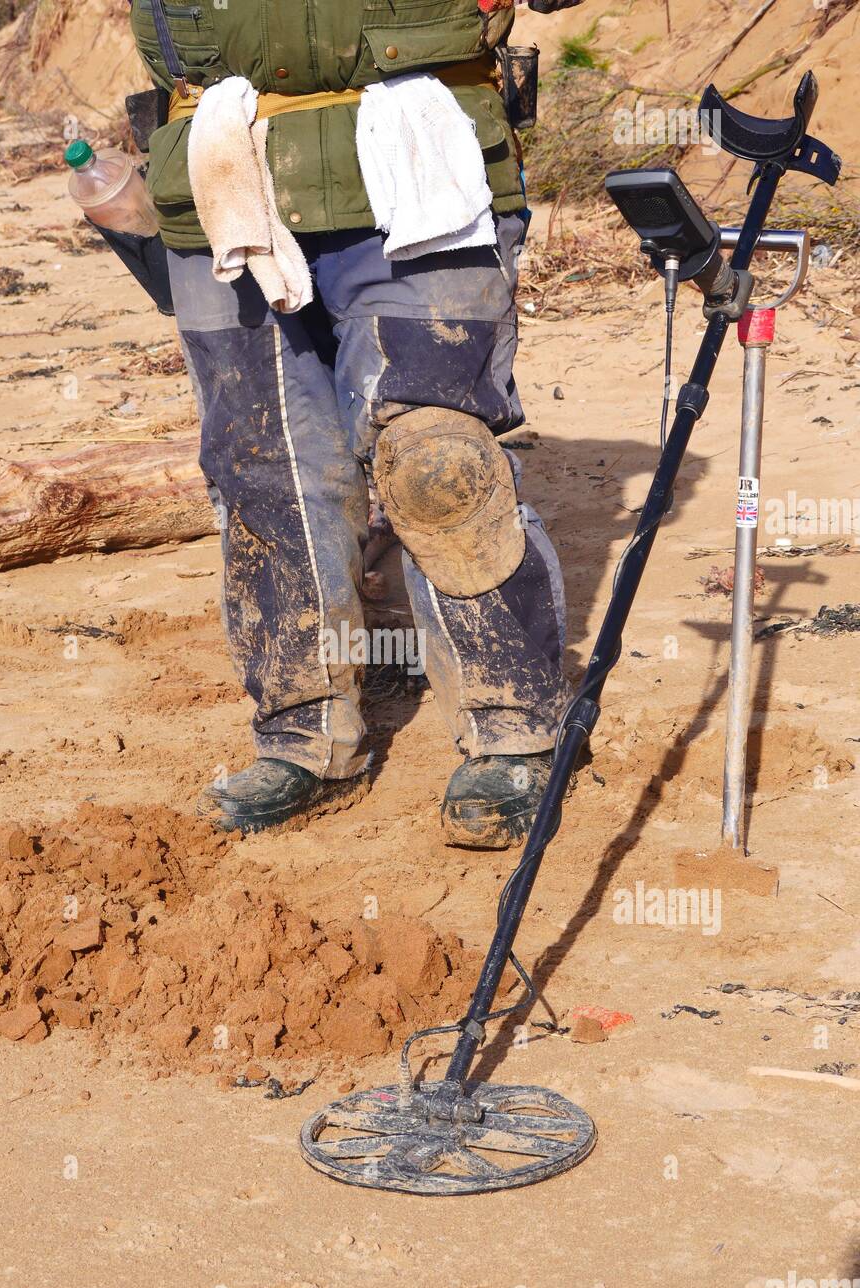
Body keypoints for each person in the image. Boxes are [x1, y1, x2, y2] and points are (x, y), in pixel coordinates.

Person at [129, 0, 583, 847]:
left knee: (435, 460)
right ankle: (306, 734)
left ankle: (512, 725)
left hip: (424, 168)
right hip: (222, 177)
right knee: (263, 472)